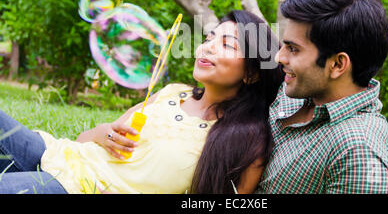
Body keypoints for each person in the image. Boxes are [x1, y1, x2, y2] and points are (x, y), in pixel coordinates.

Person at [0, 10, 284, 194]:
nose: (207, 46)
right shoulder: (173, 92)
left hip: (79, 188)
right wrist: (102, 133)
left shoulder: (246, 139)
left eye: (226, 44)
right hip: (54, 154)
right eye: (210, 38)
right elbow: (83, 140)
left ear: (252, 73)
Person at [256, 0, 388, 194]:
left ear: (338, 64)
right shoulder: (296, 93)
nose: (279, 57)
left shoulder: (358, 151)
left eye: (293, 49)